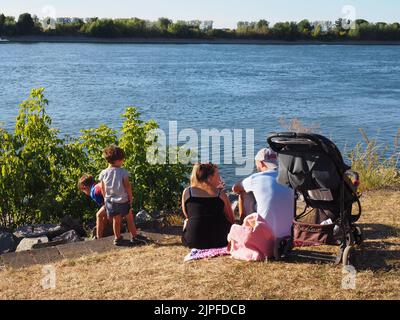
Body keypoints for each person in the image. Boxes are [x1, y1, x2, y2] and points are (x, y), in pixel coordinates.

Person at [232, 148, 294, 240]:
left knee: (244, 193)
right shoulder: (288, 177)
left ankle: (244, 226)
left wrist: (246, 183)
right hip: (287, 235)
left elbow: (235, 188)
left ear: (261, 163)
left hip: (265, 237)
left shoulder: (256, 178)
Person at [182, 163, 235, 249]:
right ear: (210, 178)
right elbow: (231, 219)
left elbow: (188, 215)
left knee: (186, 221)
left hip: (193, 241)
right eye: (217, 175)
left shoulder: (187, 192)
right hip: (221, 240)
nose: (219, 178)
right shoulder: (220, 194)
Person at [99, 145, 138, 246]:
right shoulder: (122, 171)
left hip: (110, 201)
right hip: (122, 200)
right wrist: (130, 197)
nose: (123, 161)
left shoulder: (103, 173)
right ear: (118, 160)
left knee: (116, 220)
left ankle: (117, 238)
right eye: (122, 159)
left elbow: (102, 188)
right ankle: (134, 236)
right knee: (129, 218)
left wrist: (105, 199)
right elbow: (127, 186)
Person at [78, 174, 108, 239]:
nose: (85, 193)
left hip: (113, 201)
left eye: (83, 191)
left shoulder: (93, 192)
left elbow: (106, 206)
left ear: (85, 187)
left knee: (98, 215)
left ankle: (98, 237)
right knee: (103, 214)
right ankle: (104, 231)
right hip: (119, 197)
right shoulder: (98, 185)